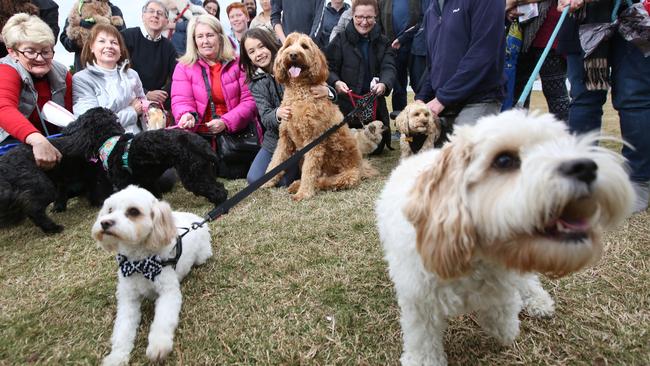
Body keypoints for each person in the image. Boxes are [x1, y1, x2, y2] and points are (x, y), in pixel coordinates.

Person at [557, 0, 650, 213]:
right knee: (583, 99)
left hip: (633, 14)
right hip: (583, 19)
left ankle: (638, 179)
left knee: (634, 99)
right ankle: (579, 175)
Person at [240, 28, 337, 185]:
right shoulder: (256, 84)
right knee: (254, 179)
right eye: (251, 51)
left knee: (285, 181)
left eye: (261, 46)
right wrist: (278, 113)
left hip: (305, 135)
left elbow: (323, 84)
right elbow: (265, 117)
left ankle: (306, 169)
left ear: (270, 45)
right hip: (276, 138)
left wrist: (328, 91)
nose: (258, 53)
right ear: (249, 58)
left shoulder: (299, 66)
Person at [171, 14, 261, 179]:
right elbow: (181, 100)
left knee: (233, 173)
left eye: (210, 35)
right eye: (200, 36)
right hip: (199, 139)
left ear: (220, 37)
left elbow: (250, 102)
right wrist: (186, 115)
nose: (205, 41)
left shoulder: (238, 63)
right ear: (194, 40)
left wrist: (226, 122)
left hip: (235, 139)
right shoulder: (183, 67)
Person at [415, 0, 505, 127]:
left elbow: (482, 54)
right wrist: (421, 98)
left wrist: (442, 99)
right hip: (443, 104)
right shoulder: (432, 7)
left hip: (477, 100)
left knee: (463, 146)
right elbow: (434, 66)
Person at [0, 13, 71, 170]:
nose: (40, 58)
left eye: (46, 51)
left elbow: (70, 114)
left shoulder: (62, 73)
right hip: (10, 142)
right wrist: (36, 139)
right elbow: (3, 108)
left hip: (50, 141)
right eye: (30, 51)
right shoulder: (6, 70)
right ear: (13, 52)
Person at [325, 0, 396, 154]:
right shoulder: (340, 39)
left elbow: (389, 67)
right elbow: (328, 67)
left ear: (376, 16)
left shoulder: (384, 42)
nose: (364, 22)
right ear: (352, 15)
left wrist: (384, 84)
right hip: (345, 106)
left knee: (376, 149)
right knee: (343, 149)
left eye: (369, 17)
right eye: (359, 17)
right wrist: (336, 82)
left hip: (373, 106)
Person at [72, 24, 146, 134]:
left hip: (138, 139)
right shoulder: (82, 79)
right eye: (102, 41)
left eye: (114, 42)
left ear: (121, 50)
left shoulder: (132, 74)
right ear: (91, 47)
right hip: (104, 144)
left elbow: (143, 106)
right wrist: (132, 111)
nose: (109, 46)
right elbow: (92, 124)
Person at [509, 0, 569, 121]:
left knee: (556, 97)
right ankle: (516, 137)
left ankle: (564, 136)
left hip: (550, 35)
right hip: (519, 35)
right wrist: (509, 8)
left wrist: (511, 2)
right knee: (516, 94)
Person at [122, 0, 178, 111]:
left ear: (166, 22)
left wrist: (162, 95)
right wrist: (145, 93)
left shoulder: (169, 47)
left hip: (155, 105)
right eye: (151, 11)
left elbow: (177, 76)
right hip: (128, 101)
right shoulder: (126, 36)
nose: (155, 15)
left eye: (160, 13)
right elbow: (119, 71)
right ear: (143, 16)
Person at [377, 0, 421, 114]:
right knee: (398, 88)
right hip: (394, 49)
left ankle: (421, 122)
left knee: (419, 85)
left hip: (416, 47)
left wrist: (404, 38)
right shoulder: (382, 2)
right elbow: (379, 24)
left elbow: (423, 19)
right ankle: (399, 122)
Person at [60, 1, 125, 72]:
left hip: (110, 68)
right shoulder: (78, 10)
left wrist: (83, 24)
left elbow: (121, 38)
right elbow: (65, 40)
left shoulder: (113, 10)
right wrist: (78, 38)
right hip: (84, 67)